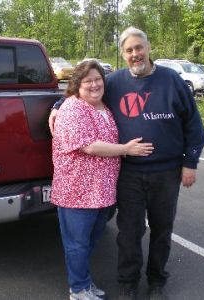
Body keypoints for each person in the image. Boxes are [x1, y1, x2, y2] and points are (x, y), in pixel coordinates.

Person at [49, 27, 204, 300]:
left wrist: (189, 163)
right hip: (129, 173)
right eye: (129, 50)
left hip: (166, 173)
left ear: (148, 47)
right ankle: (128, 283)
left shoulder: (172, 80)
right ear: (122, 54)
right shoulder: (116, 82)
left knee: (161, 230)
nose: (135, 54)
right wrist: (57, 105)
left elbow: (194, 126)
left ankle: (156, 281)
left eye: (139, 48)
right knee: (129, 232)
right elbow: (84, 90)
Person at [51, 60, 153, 300]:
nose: (94, 85)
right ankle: (77, 290)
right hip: (76, 191)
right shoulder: (73, 109)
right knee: (77, 245)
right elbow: (89, 146)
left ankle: (84, 283)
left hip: (101, 191)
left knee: (88, 242)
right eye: (88, 81)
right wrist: (126, 149)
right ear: (77, 84)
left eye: (98, 79)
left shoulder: (103, 108)